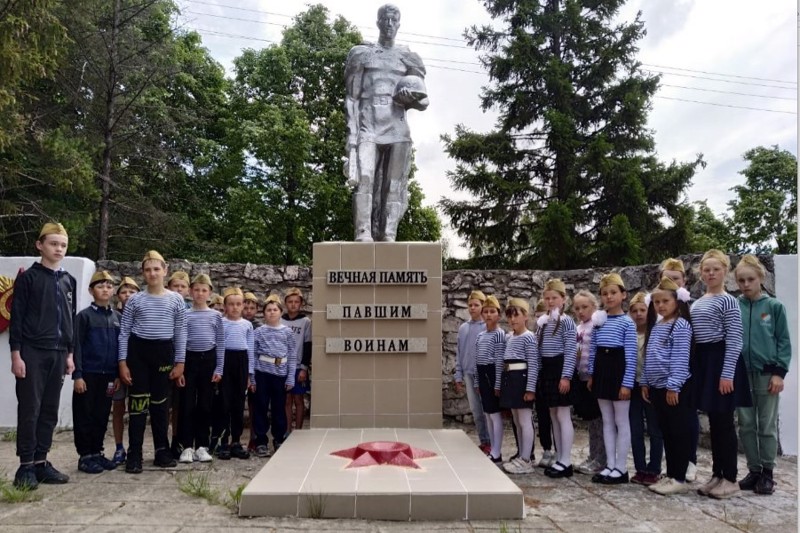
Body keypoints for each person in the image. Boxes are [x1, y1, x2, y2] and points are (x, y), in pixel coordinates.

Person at [344, 3, 429, 242]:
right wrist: (351, 135)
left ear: (399, 24)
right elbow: (352, 97)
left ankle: (389, 233)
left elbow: (424, 101)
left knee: (394, 183)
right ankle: (363, 231)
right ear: (378, 22)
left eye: (394, 20)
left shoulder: (408, 58)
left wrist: (410, 99)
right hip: (368, 124)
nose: (389, 24)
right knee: (366, 178)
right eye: (385, 19)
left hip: (397, 126)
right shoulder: (362, 54)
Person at [9, 222, 76, 489]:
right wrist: (16, 355)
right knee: (30, 409)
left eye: (63, 245)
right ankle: (25, 465)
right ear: (40, 245)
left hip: (59, 353)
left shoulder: (68, 280)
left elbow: (70, 319)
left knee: (49, 410)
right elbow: (17, 319)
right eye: (53, 243)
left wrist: (70, 354)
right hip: (32, 352)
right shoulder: (28, 279)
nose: (58, 249)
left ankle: (41, 462)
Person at [118, 250, 187, 473]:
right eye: (148, 269)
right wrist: (122, 362)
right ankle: (134, 454)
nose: (152, 273)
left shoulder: (176, 300)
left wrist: (180, 362)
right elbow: (124, 332)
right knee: (138, 405)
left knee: (160, 404)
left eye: (157, 269)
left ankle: (161, 451)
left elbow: (180, 331)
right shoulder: (135, 300)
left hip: (164, 353)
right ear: (142, 273)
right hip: (139, 354)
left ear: (165, 270)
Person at [692, 249, 751, 499]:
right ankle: (717, 474)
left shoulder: (729, 301)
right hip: (705, 362)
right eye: (707, 269)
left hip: (722, 362)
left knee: (725, 423)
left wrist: (726, 374)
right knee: (715, 422)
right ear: (701, 273)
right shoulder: (697, 302)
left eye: (716, 269)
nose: (711, 273)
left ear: (725, 271)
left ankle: (729, 478)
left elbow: (735, 339)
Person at [735, 255, 791, 495]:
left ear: (761, 278)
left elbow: (784, 342)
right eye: (741, 280)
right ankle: (754, 470)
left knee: (765, 425)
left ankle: (768, 473)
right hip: (741, 374)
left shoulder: (774, 307)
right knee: (746, 424)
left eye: (750, 279)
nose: (746, 284)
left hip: (767, 374)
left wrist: (779, 373)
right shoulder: (735, 305)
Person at [641, 277, 694, 495]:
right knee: (666, 432)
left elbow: (681, 358)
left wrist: (674, 386)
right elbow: (649, 356)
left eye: (665, 301)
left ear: (676, 301)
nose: (661, 306)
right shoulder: (656, 326)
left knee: (677, 432)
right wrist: (645, 381)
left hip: (672, 389)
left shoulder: (680, 326)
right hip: (656, 387)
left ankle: (679, 477)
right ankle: (670, 474)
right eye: (656, 302)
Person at [587, 273, 637, 485]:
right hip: (602, 369)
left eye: (613, 293)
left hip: (618, 368)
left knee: (621, 420)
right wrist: (591, 374)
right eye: (605, 293)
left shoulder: (627, 323)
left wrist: (627, 383)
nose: (609, 297)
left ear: (623, 295)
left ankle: (621, 468)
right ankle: (610, 464)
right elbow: (592, 349)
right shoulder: (599, 321)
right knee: (606, 420)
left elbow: (631, 355)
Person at [72, 271, 120, 474]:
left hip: (109, 375)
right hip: (88, 374)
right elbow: (77, 346)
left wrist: (118, 373)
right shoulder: (84, 316)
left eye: (109, 286)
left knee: (101, 414)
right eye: (100, 286)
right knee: (85, 414)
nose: (105, 289)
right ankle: (85, 455)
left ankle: (97, 452)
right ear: (91, 290)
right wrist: (78, 375)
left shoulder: (117, 317)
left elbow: (121, 347)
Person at [178, 274, 224, 464]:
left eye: (204, 290)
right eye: (196, 289)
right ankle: (186, 446)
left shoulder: (216, 316)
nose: (199, 293)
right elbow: (179, 340)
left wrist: (219, 367)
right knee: (187, 404)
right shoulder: (184, 314)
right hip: (189, 360)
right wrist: (179, 365)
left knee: (205, 405)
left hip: (209, 360)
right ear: (190, 291)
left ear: (210, 293)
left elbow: (220, 342)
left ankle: (202, 446)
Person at [659, 257, 698, 481]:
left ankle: (689, 461)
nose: (671, 282)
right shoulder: (661, 308)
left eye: (675, 279)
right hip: (664, 373)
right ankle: (672, 461)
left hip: (686, 369)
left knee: (687, 418)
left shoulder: (687, 311)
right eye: (666, 278)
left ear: (683, 281)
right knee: (668, 421)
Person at [535, 279, 577, 479]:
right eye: (547, 298)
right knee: (553, 415)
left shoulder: (566, 321)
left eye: (555, 298)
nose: (550, 301)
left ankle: (566, 460)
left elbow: (570, 350)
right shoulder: (543, 322)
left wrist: (566, 376)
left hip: (560, 367)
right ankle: (559, 457)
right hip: (547, 369)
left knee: (562, 414)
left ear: (563, 300)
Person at [496, 298, 539, 475]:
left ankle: (527, 459)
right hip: (510, 379)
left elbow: (533, 364)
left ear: (525, 316)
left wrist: (530, 388)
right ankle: (521, 454)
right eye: (510, 317)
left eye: (516, 316)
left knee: (524, 420)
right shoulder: (509, 337)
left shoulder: (529, 338)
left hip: (521, 379)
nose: (513, 320)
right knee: (516, 420)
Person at [212, 287, 254, 460]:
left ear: (243, 305)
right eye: (231, 304)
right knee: (224, 402)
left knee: (238, 403)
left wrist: (250, 374)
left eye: (238, 304)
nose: (235, 307)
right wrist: (218, 369)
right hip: (225, 360)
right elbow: (217, 346)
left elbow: (250, 349)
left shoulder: (247, 325)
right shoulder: (220, 323)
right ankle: (223, 441)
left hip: (241, 361)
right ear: (225, 306)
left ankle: (236, 441)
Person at [253, 295, 296, 457]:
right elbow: (253, 354)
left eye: (275, 310)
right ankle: (261, 441)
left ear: (280, 312)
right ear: (264, 313)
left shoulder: (287, 332)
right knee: (261, 407)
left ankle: (279, 439)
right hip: (262, 374)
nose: (272, 313)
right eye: (268, 310)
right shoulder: (258, 332)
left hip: (281, 374)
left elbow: (292, 355)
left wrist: (291, 376)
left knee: (279, 408)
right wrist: (252, 377)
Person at [628, 292, 663, 485]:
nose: (639, 314)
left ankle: (654, 468)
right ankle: (640, 467)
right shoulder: (629, 333)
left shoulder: (655, 332)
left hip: (651, 386)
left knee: (655, 428)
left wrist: (647, 382)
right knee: (635, 429)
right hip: (633, 386)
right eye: (635, 311)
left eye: (643, 310)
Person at [572, 290, 607, 475]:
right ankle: (593, 456)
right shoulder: (579, 328)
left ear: (594, 306)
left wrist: (593, 374)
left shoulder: (597, 325)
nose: (581, 311)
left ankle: (601, 458)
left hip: (595, 379)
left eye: (585, 307)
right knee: (592, 421)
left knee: (600, 421)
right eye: (577, 308)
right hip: (582, 379)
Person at [455, 290, 491, 454]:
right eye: (470, 305)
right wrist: (458, 374)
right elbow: (459, 352)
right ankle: (483, 441)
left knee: (487, 410)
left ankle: (491, 442)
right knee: (476, 410)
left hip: (483, 375)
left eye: (476, 305)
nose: (472, 308)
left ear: (483, 306)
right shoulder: (463, 328)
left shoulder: (487, 328)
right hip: (468, 374)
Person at [474, 295, 507, 465]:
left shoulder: (500, 335)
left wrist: (497, 383)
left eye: (492, 311)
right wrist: (477, 382)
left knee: (495, 415)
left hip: (493, 373)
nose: (488, 315)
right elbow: (476, 359)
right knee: (487, 414)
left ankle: (497, 451)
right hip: (482, 373)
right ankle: (493, 448)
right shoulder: (480, 336)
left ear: (498, 315)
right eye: (485, 312)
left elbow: (500, 360)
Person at [112, 276, 139, 465]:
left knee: (139, 409)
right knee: (119, 407)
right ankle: (119, 447)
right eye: (124, 292)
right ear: (118, 296)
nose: (128, 295)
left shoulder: (143, 313)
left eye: (132, 292)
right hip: (118, 369)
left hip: (140, 368)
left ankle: (135, 448)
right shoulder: (113, 316)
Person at [282, 288, 312, 434]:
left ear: (301, 304)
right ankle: (288, 430)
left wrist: (304, 368)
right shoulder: (280, 320)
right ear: (285, 303)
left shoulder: (305, 321)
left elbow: (308, 345)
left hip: (298, 367)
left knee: (298, 399)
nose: (293, 305)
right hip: (283, 366)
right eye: (290, 302)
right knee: (286, 399)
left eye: (296, 302)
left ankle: (298, 431)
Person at [530, 299, 555, 467]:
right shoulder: (534, 334)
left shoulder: (557, 328)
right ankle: (546, 449)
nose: (541, 320)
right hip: (539, 378)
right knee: (543, 416)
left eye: (543, 315)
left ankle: (560, 451)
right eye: (538, 316)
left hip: (552, 375)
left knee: (558, 417)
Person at [242, 291, 260, 452]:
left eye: (252, 308)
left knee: (254, 406)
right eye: (245, 307)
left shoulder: (259, 328)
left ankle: (254, 438)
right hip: (238, 368)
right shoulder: (236, 323)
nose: (248, 310)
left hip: (254, 370)